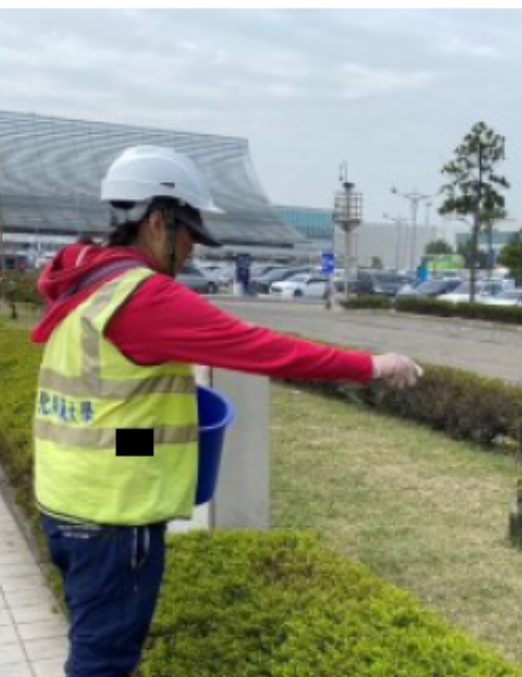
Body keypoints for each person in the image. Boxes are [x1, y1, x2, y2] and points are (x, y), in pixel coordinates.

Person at [31, 145, 421, 677]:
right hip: (111, 523)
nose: (191, 250)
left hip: (66, 500)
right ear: (158, 220)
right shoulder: (142, 297)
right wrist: (373, 365)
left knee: (96, 648)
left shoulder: (85, 281)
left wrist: (179, 436)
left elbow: (99, 430)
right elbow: (262, 348)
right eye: (189, 233)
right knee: (103, 664)